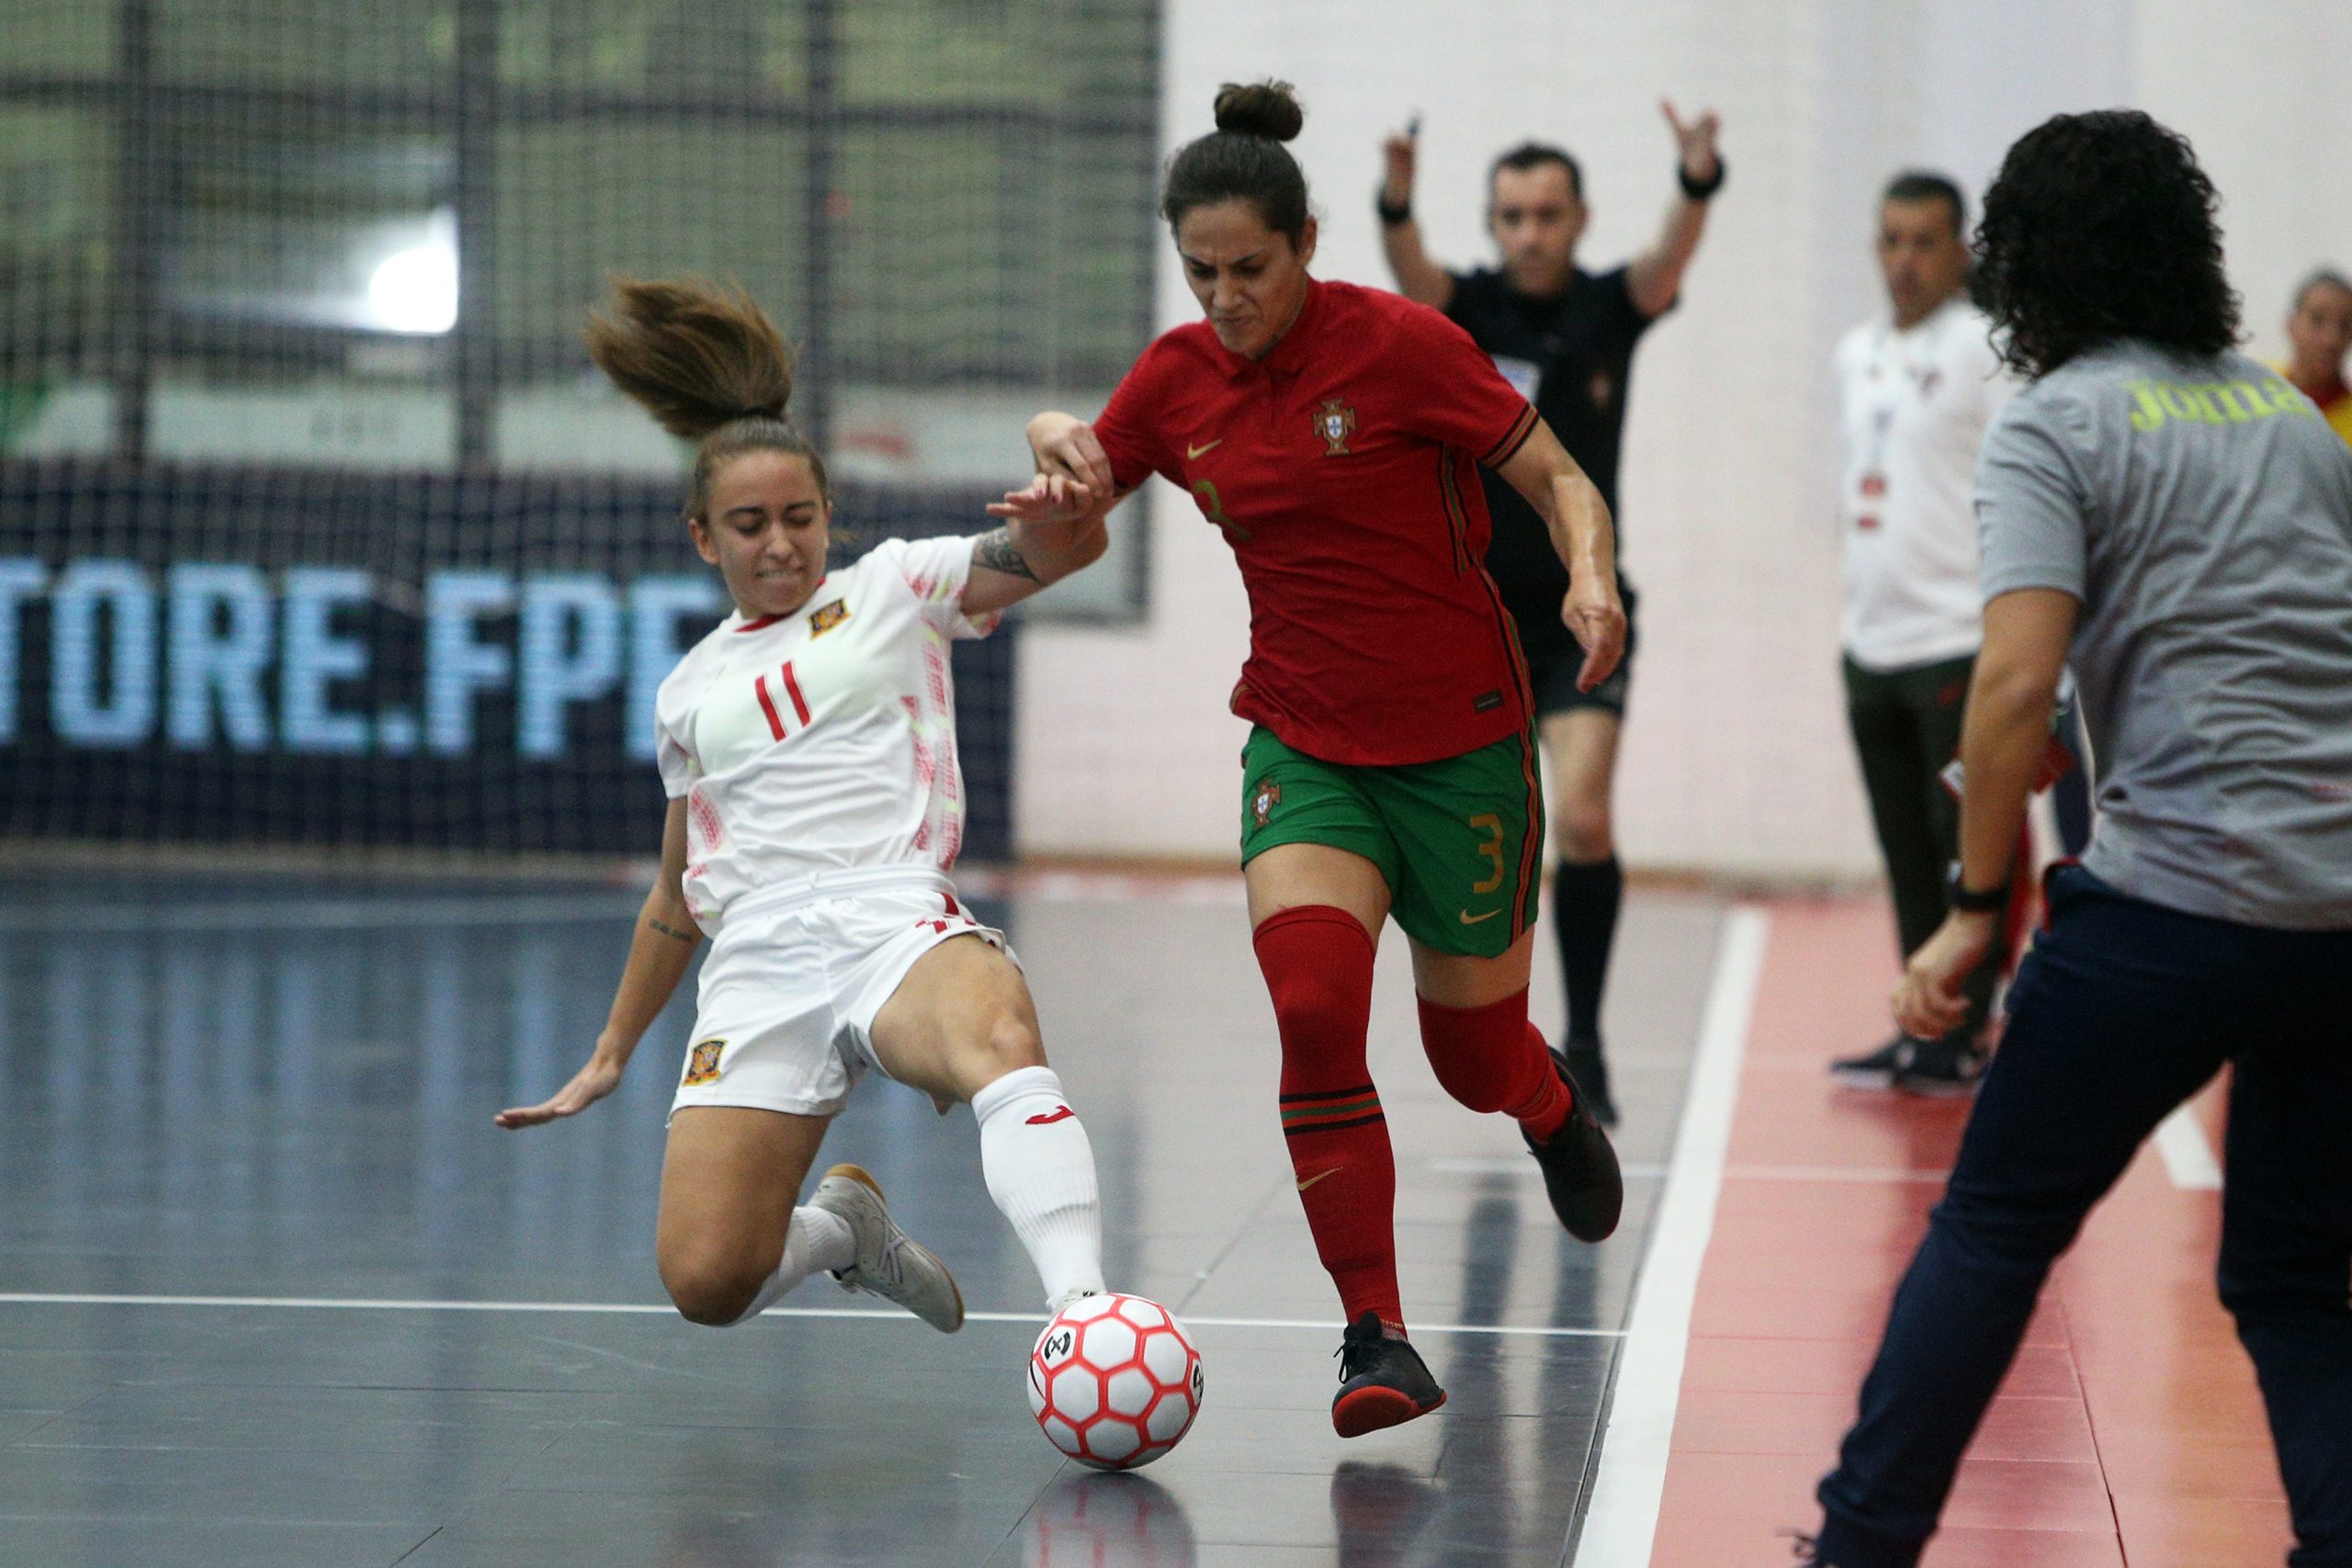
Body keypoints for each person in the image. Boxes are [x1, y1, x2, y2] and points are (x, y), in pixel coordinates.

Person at [1015, 81, 1626, 1438]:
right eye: (1202, 272)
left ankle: (1548, 1100)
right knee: (1310, 1004)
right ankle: (1378, 1334)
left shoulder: (1406, 346)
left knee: (1471, 1053)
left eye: (1251, 268)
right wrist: (1050, 452)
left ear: (1306, 244)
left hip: (1465, 744)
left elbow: (1564, 480)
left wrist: (1591, 578)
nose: (1227, 296)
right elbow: (1078, 505)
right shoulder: (1177, 379)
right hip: (1306, 743)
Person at [1797, 110, 2352, 1568]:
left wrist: (1976, 906)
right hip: (2343, 914)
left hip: (2177, 906)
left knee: (1992, 1225)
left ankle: (1861, 1543)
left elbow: (2009, 687)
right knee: (2299, 1278)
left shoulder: (2056, 418)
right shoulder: (2287, 414)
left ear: (2024, 264)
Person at [495, 276, 1116, 1341]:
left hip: (891, 920)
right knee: (706, 1281)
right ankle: (847, 1231)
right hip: (759, 961)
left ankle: (1087, 1313)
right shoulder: (687, 690)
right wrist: (609, 1053)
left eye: (799, 517)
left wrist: (1054, 441)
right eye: (749, 525)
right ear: (703, 539)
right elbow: (675, 898)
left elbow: (1071, 547)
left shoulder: (897, 587)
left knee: (1000, 1034)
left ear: (829, 514)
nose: (779, 544)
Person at [1373, 102, 1724, 1124]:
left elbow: (1668, 258)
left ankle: (1587, 1039)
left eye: (1546, 215)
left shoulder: (1609, 308)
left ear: (1577, 219)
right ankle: (1497, 1037)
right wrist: (1396, 193)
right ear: (1492, 223)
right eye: (1512, 216)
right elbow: (1412, 269)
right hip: (1470, 619)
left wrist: (1697, 180)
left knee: (1580, 817)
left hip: (1582, 612)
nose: (1529, 233)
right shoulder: (1467, 308)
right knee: (1492, 833)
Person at [1826, 172, 2018, 1096]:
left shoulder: (1988, 349)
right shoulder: (1853, 352)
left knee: (1967, 842)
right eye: (1890, 239)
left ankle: (1966, 1023)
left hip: (1955, 639)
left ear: (1961, 250)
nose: (1904, 260)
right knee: (1903, 848)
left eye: (1924, 242)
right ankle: (1919, 1017)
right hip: (1870, 642)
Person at [2280, 267, 2352, 447]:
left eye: (2344, 325)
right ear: (2291, 324)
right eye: (2317, 320)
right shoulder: (2258, 390)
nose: (2331, 339)